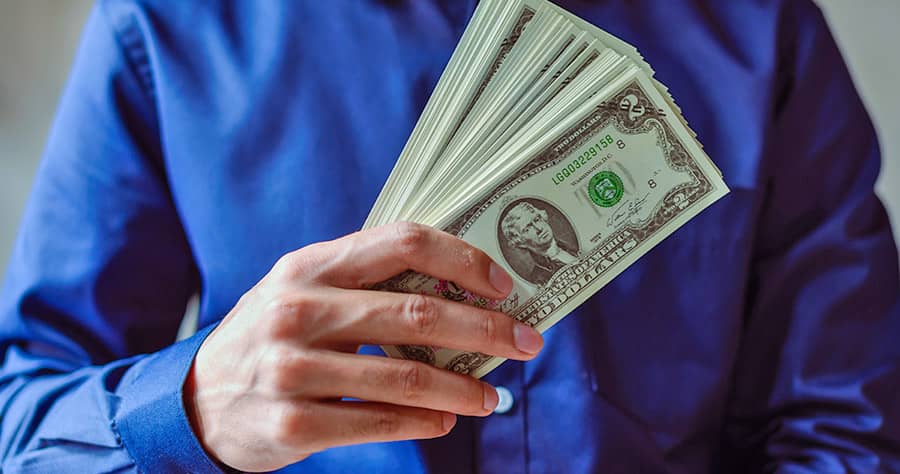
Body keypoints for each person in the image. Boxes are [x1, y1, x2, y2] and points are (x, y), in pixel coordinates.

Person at [1, 1, 899, 473]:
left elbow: (851, 429)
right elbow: (24, 419)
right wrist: (188, 410)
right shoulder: (167, 24)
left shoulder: (761, 27)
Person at [500, 201, 578, 285]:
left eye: (537, 220)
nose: (539, 228)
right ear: (520, 242)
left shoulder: (573, 248)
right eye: (527, 229)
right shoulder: (539, 279)